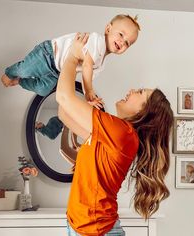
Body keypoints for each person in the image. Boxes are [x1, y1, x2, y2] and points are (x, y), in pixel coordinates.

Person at [56, 33, 174, 236]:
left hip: (93, 230)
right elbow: (64, 113)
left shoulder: (123, 133)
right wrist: (84, 98)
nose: (131, 90)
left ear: (145, 112)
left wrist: (72, 57)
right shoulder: (116, 133)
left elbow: (63, 97)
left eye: (139, 92)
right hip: (85, 227)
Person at [1, 14, 140, 108]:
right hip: (49, 54)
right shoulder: (97, 41)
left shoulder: (101, 64)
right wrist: (90, 91)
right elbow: (86, 65)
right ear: (108, 29)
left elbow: (87, 81)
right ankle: (10, 72)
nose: (122, 42)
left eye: (127, 43)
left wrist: (88, 97)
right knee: (25, 70)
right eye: (121, 34)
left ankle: (19, 81)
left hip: (57, 72)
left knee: (43, 90)